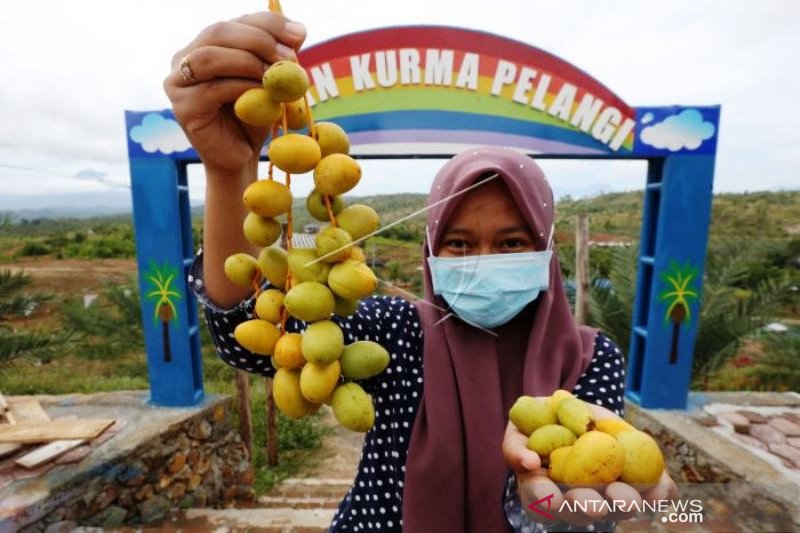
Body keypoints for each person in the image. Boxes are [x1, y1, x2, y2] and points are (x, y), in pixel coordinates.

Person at [164, 11, 678, 532]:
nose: (483, 262)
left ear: (546, 248)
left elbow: (584, 502)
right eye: (458, 243)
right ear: (430, 249)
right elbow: (247, 332)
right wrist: (229, 171)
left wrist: (553, 504)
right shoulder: (401, 332)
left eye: (512, 243)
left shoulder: (590, 359)